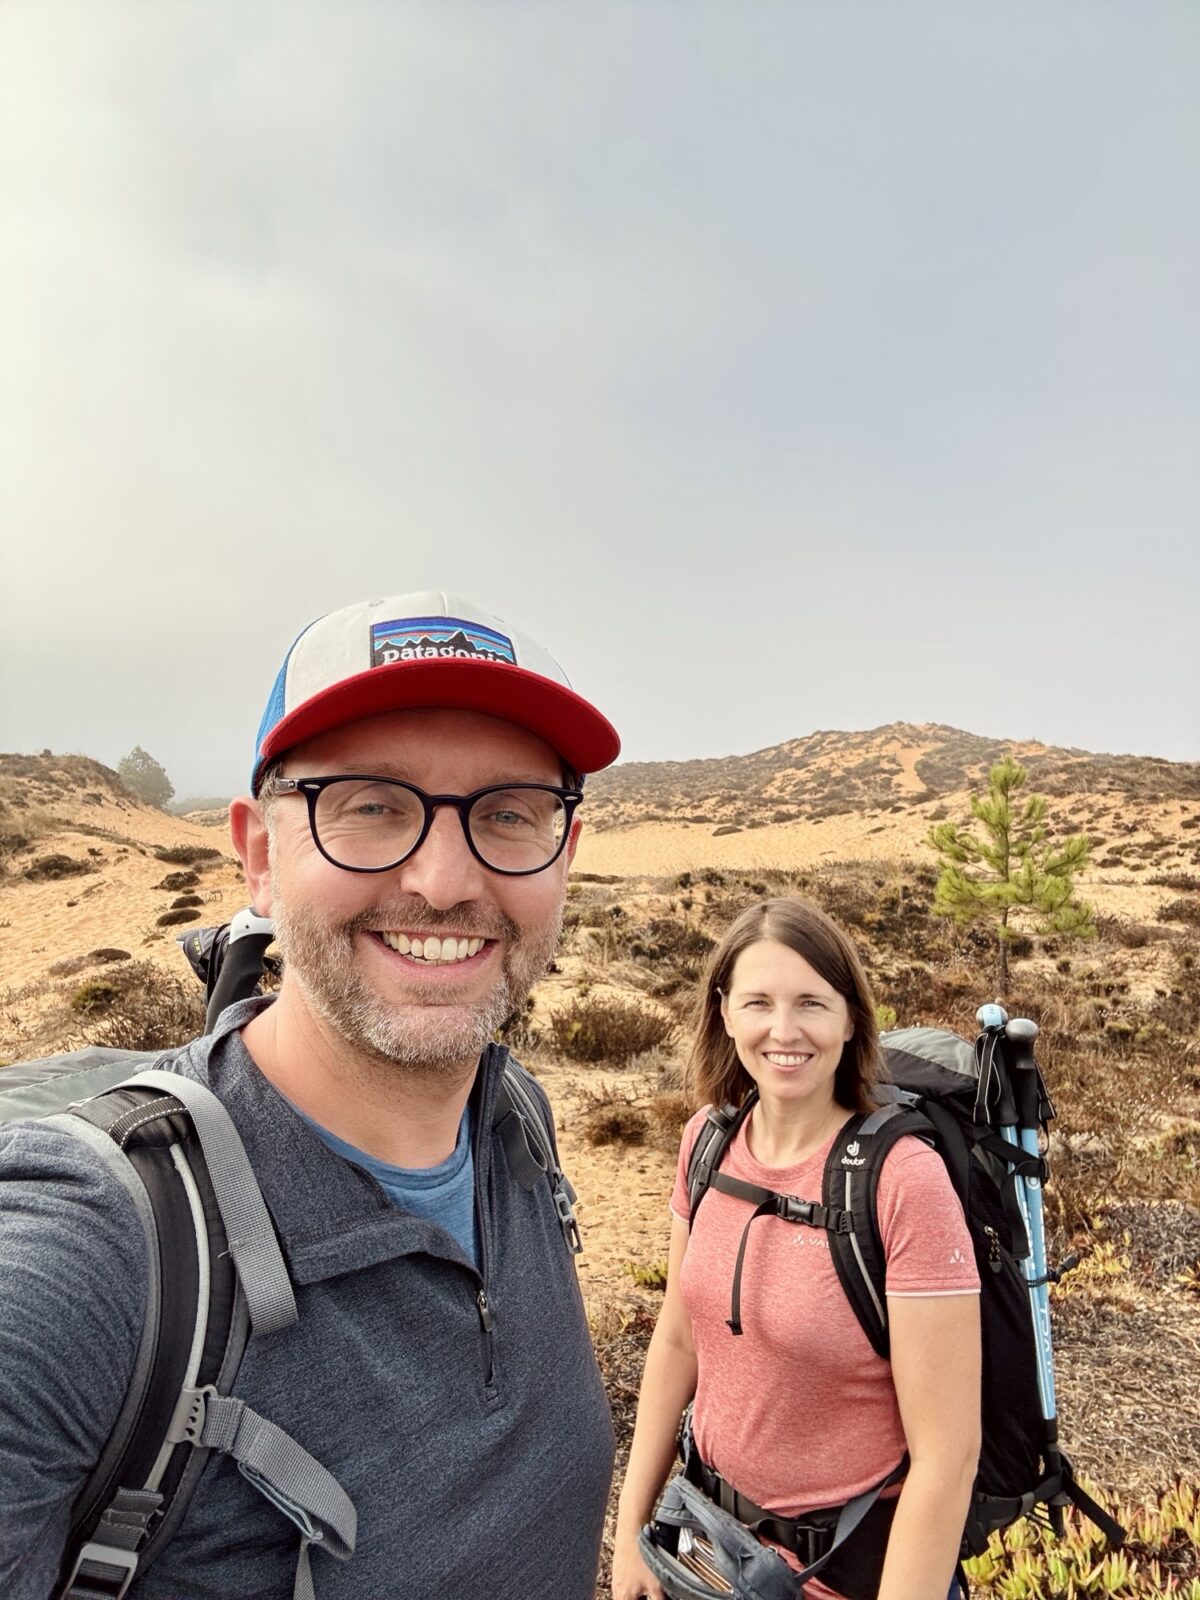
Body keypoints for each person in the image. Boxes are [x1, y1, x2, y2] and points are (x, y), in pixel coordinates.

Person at [0, 591, 619, 1600]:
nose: (444, 878)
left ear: (565, 857)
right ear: (258, 854)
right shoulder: (97, 1250)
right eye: (372, 803)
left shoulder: (518, 1122)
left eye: (509, 812)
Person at [612, 896, 981, 1600]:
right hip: (706, 1558)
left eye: (812, 1002)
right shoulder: (707, 1142)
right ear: (725, 1013)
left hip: (843, 1575)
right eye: (758, 1002)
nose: (784, 1030)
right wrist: (631, 1534)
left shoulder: (902, 1181)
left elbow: (946, 1461)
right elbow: (677, 1343)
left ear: (850, 1018)